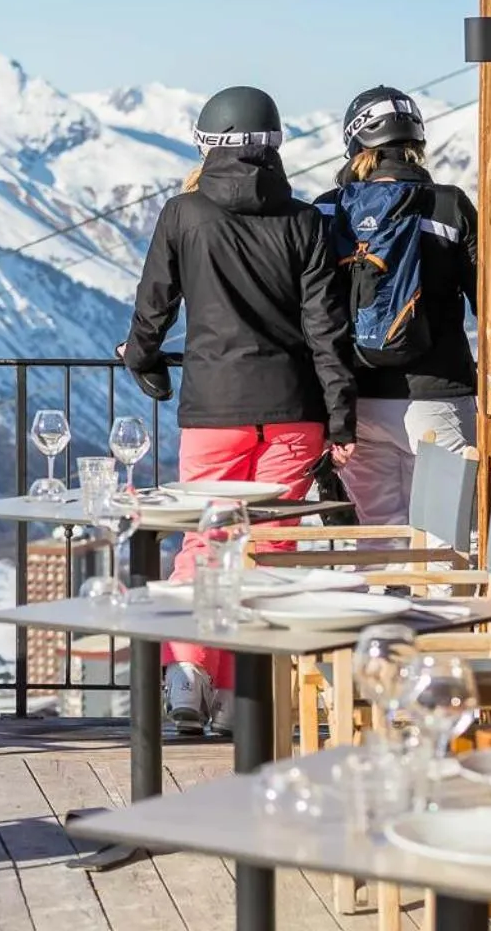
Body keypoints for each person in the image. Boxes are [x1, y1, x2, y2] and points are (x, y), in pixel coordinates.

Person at [120, 85, 358, 737]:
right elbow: (327, 333)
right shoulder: (306, 223)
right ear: (275, 145)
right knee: (270, 547)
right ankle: (240, 695)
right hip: (292, 411)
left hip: (213, 411)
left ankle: (189, 674)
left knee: (204, 540)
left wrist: (142, 362)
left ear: (207, 143)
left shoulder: (184, 215)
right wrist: (342, 419)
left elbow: (153, 308)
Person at [314, 86, 479, 533]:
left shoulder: (328, 211)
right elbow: (488, 302)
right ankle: (444, 606)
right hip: (438, 392)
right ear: (416, 144)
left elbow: (313, 311)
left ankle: (382, 600)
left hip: (357, 401)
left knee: (377, 534)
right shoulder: (449, 205)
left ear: (354, 143)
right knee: (447, 538)